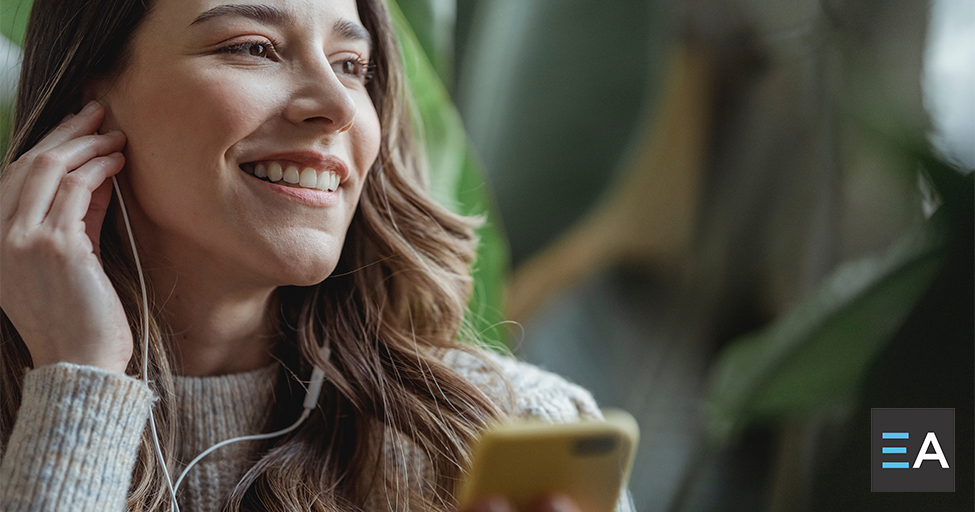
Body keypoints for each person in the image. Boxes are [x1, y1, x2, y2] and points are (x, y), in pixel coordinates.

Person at [0, 0, 633, 511]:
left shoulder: (508, 431)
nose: (334, 106)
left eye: (352, 64)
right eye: (252, 47)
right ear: (88, 98)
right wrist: (79, 385)